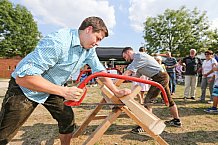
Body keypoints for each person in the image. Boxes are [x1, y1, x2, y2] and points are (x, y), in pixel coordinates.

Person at [0, 16, 131, 145]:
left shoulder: (89, 49)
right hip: (25, 89)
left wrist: (115, 91)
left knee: (67, 120)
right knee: (4, 134)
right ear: (89, 29)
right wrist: (64, 91)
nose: (97, 43)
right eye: (98, 38)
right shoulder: (58, 41)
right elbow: (24, 78)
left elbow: (100, 72)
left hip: (54, 87)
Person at [122, 47, 181, 133]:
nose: (125, 59)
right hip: (161, 77)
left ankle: (146, 125)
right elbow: (136, 77)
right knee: (168, 99)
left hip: (160, 77)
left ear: (127, 52)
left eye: (124, 57)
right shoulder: (138, 61)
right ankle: (177, 121)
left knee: (148, 100)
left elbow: (128, 72)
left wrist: (115, 82)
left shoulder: (138, 56)